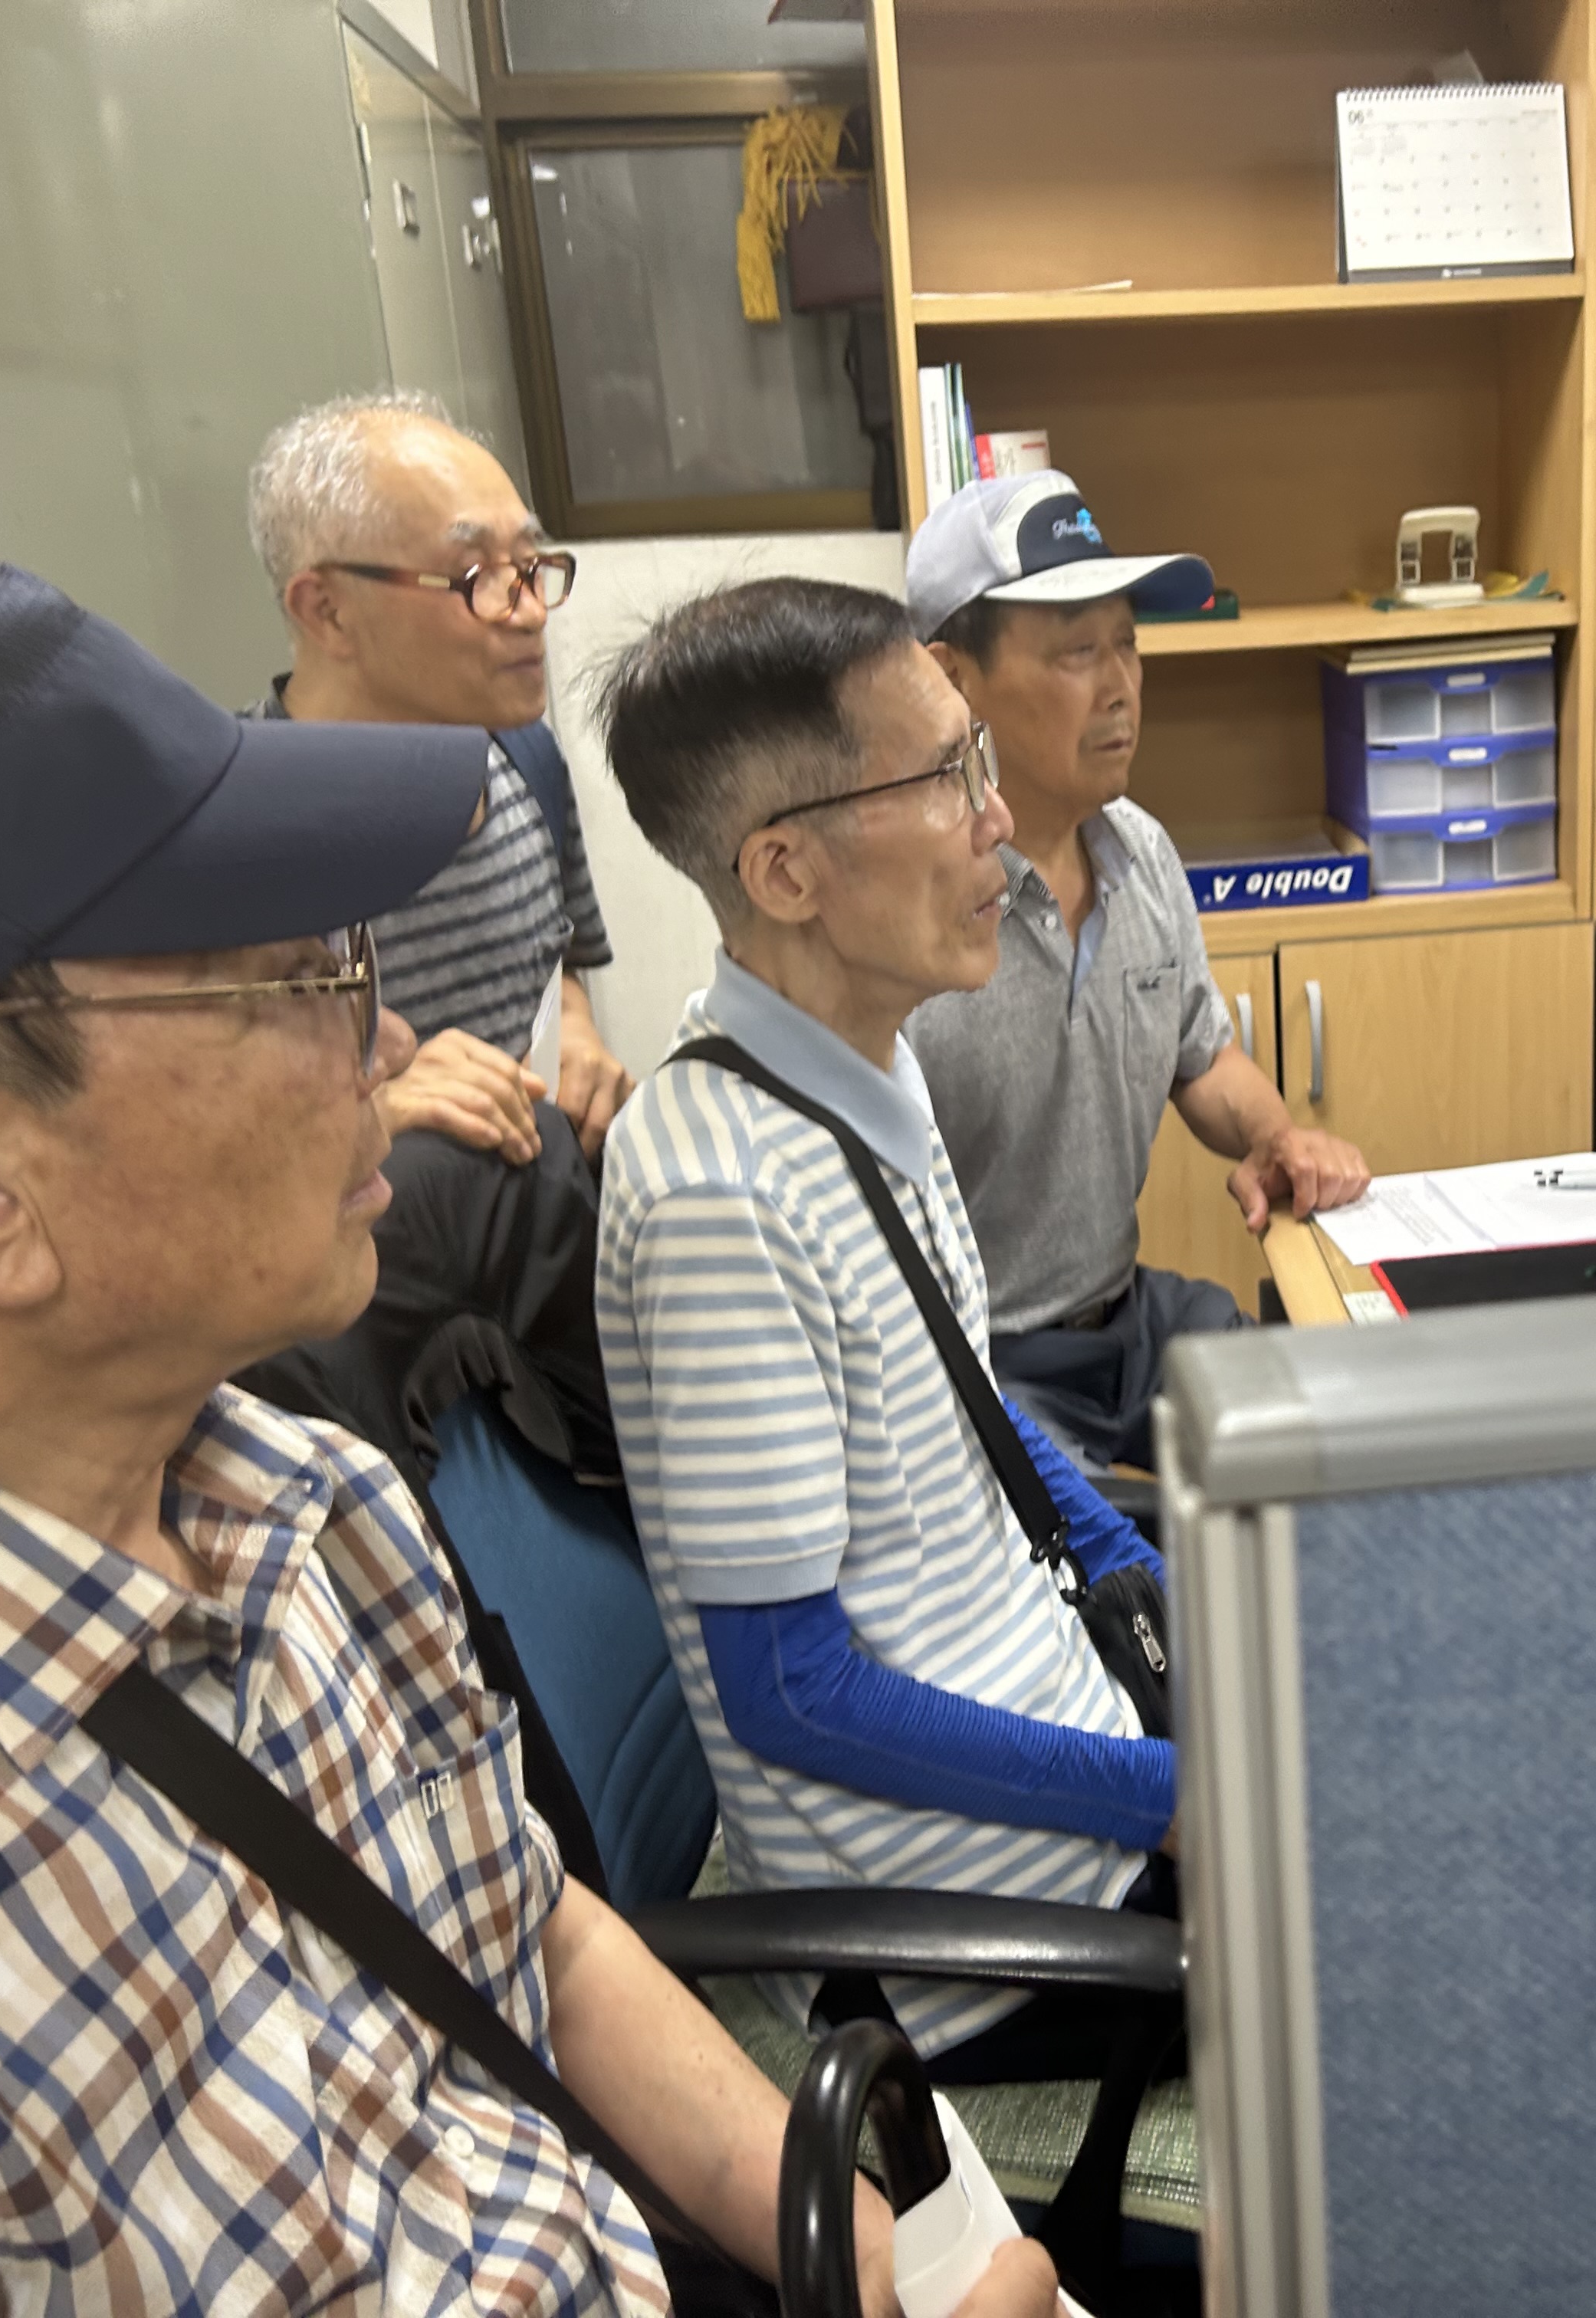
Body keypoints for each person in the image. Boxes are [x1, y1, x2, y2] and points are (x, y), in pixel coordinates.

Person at [0, 560, 1049, 2318]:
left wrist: (860, 2262)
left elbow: (534, 1935)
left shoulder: (301, 1492)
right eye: (297, 980)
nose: (389, 1040)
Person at [593, 576, 1175, 2073]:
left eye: (977, 758)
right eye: (946, 777)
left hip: (1069, 1758)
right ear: (785, 869)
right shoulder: (720, 1197)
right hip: (975, 1942)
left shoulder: (853, 1068)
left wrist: (1145, 1575)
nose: (999, 819)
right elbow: (792, 1694)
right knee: (1452, 1935)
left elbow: (961, 1394)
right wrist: (1162, 1794)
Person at [901, 473, 1369, 1471]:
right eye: (1078, 651)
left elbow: (1203, 1060)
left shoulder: (1143, 852)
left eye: (1128, 644)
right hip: (977, 1363)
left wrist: (1279, 1136)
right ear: (950, 679)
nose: (1120, 687)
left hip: (1130, 1322)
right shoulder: (903, 914)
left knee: (1333, 1438)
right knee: (1131, 1555)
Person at [248, 389, 635, 1164]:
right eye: (475, 575)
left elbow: (555, 967)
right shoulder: (227, 842)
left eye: (530, 565)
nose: (529, 611)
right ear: (327, 611)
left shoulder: (527, 760)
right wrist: (376, 1112)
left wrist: (577, 1033)